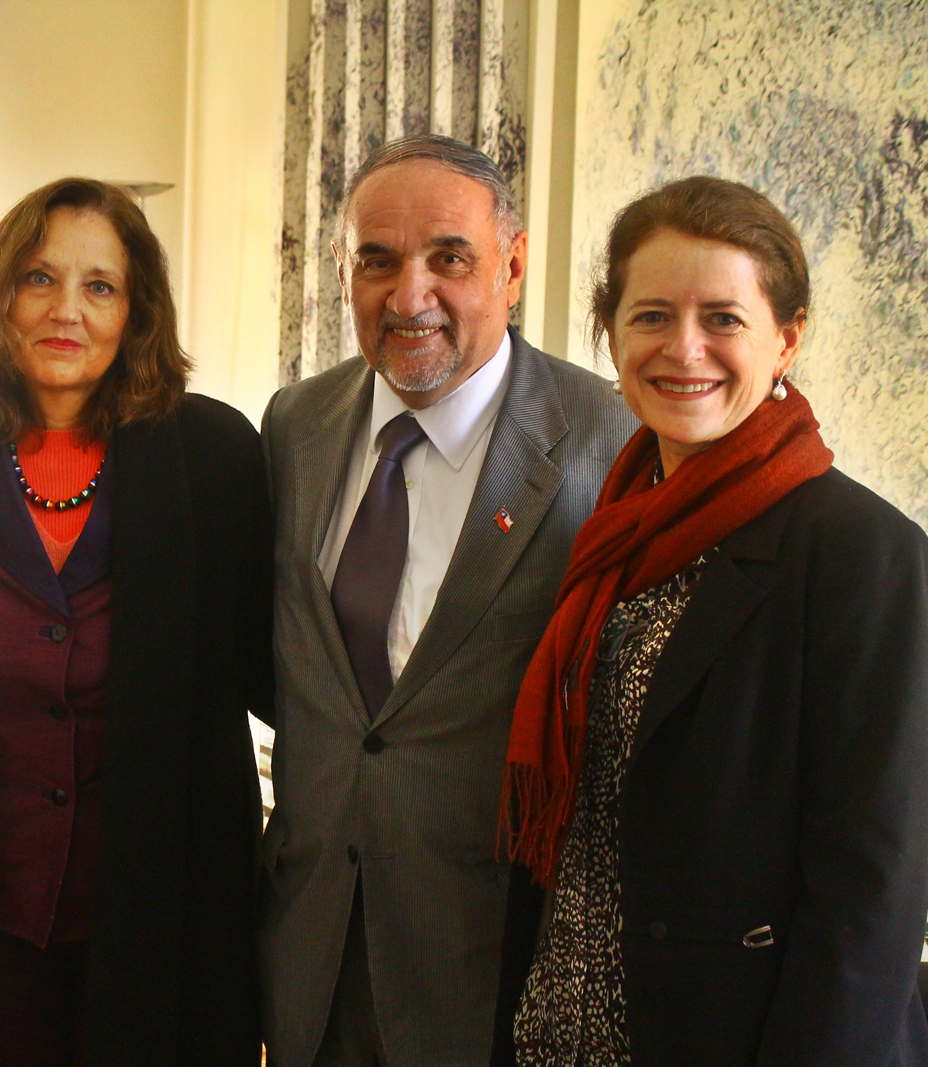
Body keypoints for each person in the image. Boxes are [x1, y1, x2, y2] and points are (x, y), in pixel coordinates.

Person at [501, 176, 928, 1065]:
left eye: (723, 318)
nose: (683, 347)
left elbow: (870, 894)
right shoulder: (614, 528)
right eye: (652, 316)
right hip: (561, 1026)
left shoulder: (862, 551)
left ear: (788, 339)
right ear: (612, 334)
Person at [0, 177, 271, 1066]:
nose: (66, 309)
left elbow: (275, 667)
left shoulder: (216, 458)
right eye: (39, 278)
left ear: (136, 311)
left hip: (163, 918)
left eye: (99, 286)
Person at [257, 133, 636, 1067]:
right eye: (377, 260)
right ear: (341, 270)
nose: (408, 294)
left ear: (512, 267)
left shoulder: (612, 438)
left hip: (492, 960)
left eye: (449, 258)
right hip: (311, 948)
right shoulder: (294, 425)